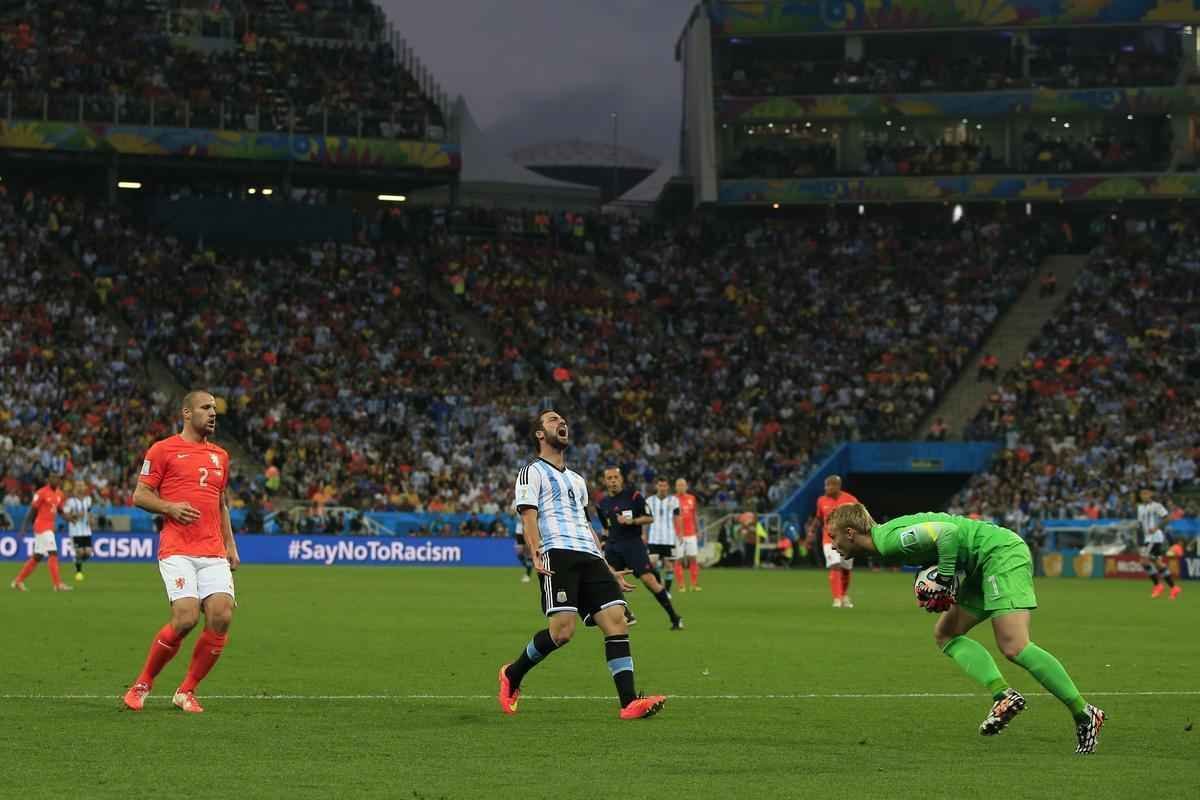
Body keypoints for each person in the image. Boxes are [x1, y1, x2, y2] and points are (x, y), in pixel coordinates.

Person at [826, 504, 1106, 754]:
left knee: (1014, 645)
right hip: (978, 565)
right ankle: (1004, 695)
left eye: (834, 537)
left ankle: (1085, 713)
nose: (832, 544)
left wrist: (945, 577)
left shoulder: (888, 541)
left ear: (850, 532)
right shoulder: (883, 540)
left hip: (999, 554)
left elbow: (947, 532)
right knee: (945, 634)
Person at [497, 409, 666, 720]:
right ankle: (513, 674)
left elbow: (586, 524)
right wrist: (535, 551)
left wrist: (606, 564)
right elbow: (528, 515)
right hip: (556, 552)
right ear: (539, 434)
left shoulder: (577, 480)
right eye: (552, 420)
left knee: (616, 619)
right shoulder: (531, 472)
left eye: (563, 419)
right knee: (562, 632)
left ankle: (628, 703)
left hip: (589, 554)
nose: (561, 422)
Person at [122, 391, 240, 714]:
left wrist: (230, 543)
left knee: (222, 616)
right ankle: (143, 683)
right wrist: (169, 507)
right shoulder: (163, 450)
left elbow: (221, 502)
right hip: (178, 548)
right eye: (206, 408)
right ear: (187, 413)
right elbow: (140, 495)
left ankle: (186, 691)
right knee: (186, 618)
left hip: (213, 549)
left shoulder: (221, 456)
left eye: (214, 409)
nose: (213, 413)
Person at [597, 467, 683, 630]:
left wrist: (632, 522)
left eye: (616, 477)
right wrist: (603, 542)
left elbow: (649, 518)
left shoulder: (634, 496)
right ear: (605, 481)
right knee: (608, 581)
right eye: (609, 478)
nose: (613, 481)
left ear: (621, 479)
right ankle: (627, 613)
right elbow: (605, 528)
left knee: (649, 581)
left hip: (633, 544)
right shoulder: (603, 503)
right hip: (613, 546)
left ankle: (674, 617)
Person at [10, 473, 71, 592]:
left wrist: (69, 518)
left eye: (57, 478)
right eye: (52, 478)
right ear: (48, 479)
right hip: (42, 527)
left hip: (49, 527)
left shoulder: (59, 494)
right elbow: (31, 511)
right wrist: (24, 527)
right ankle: (58, 584)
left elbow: (59, 510)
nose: (55, 480)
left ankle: (18, 581)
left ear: (59, 481)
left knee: (37, 557)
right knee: (53, 552)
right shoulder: (41, 492)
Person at [809, 475, 859, 608]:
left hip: (847, 541)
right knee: (835, 565)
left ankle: (843, 595)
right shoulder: (821, 500)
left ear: (838, 486)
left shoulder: (850, 500)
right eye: (826, 485)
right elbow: (819, 518)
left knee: (846, 569)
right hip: (829, 540)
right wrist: (811, 532)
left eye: (830, 485)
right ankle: (837, 599)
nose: (827, 488)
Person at [1137, 488, 1180, 600]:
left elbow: (1167, 518)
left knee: (1144, 560)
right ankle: (1173, 587)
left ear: (1150, 494)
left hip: (1155, 537)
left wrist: (1156, 528)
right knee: (1157, 563)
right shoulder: (1140, 508)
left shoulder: (1157, 506)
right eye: (1142, 494)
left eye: (1146, 493)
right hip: (1148, 538)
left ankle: (1158, 585)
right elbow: (1140, 526)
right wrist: (1140, 541)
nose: (1143, 495)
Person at [644, 478, 680, 594]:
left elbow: (677, 517)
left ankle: (667, 592)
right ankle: (660, 587)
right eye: (660, 485)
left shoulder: (674, 500)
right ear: (657, 486)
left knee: (669, 566)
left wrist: (680, 533)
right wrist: (643, 533)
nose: (662, 488)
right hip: (654, 537)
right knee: (652, 563)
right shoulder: (649, 501)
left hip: (669, 538)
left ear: (668, 487)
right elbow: (645, 518)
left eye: (664, 486)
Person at [673, 478, 702, 591]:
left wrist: (698, 529)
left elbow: (695, 515)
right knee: (678, 559)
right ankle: (681, 585)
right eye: (678, 485)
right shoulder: (672, 500)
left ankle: (694, 584)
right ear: (675, 487)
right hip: (678, 534)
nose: (681, 487)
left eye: (682, 485)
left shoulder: (692, 498)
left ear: (686, 486)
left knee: (693, 558)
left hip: (691, 533)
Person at [65, 481, 95, 582]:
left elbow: (90, 512)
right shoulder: (70, 501)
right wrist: (77, 515)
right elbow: (67, 516)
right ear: (75, 488)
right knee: (80, 552)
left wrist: (91, 519)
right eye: (78, 485)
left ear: (85, 487)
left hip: (86, 531)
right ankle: (78, 571)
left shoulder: (88, 500)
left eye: (82, 485)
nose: (80, 487)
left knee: (88, 553)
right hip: (75, 531)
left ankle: (77, 560)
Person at [513, 515, 533, 583]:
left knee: (528, 552)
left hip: (528, 527)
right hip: (519, 530)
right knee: (519, 553)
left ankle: (527, 575)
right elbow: (513, 512)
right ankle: (530, 566)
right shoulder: (515, 504)